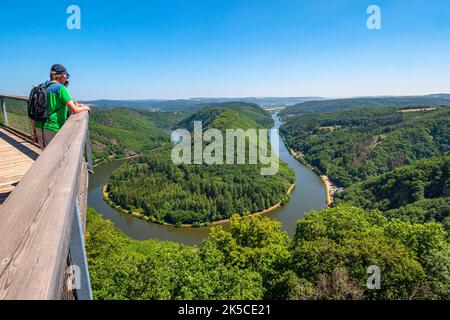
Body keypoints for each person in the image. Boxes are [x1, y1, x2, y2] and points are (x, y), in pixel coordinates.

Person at [34, 64, 90, 148]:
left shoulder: (41, 87)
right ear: (63, 75)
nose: (66, 78)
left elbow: (34, 111)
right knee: (56, 157)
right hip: (53, 127)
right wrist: (86, 107)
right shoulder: (60, 88)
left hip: (39, 126)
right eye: (66, 76)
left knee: (46, 155)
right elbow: (74, 110)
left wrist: (34, 131)